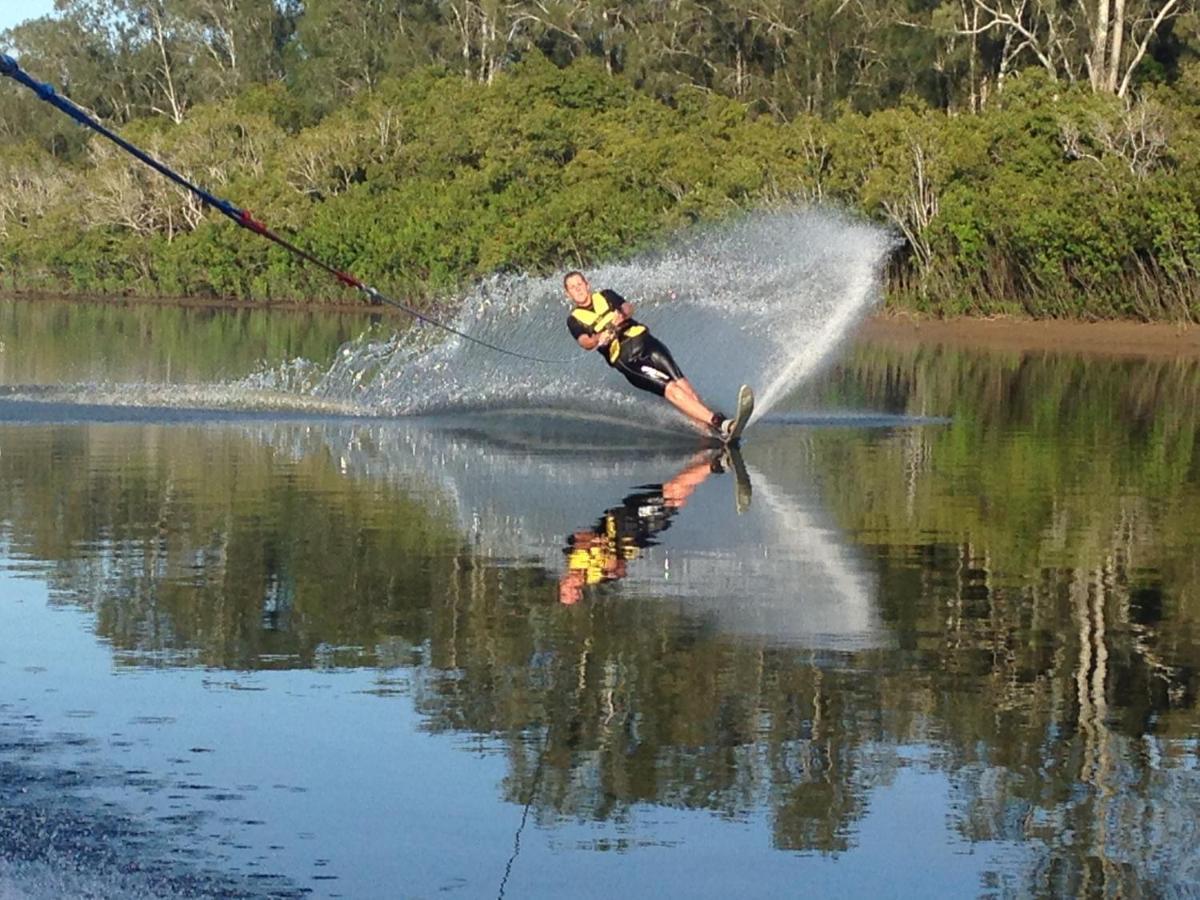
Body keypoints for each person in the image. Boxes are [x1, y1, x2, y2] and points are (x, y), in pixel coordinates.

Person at [563, 271, 733, 438]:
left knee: (686, 389)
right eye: (572, 287)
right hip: (627, 358)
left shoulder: (607, 295)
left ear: (587, 284)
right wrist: (599, 338)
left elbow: (628, 307)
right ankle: (719, 422)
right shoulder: (574, 320)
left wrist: (621, 314)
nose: (577, 289)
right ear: (568, 294)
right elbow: (585, 341)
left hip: (645, 341)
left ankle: (711, 434)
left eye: (579, 284)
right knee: (672, 389)